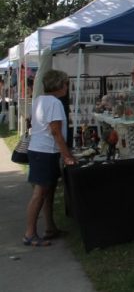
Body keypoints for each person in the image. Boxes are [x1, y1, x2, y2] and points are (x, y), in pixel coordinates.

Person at [24, 69, 76, 247]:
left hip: (41, 151)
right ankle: (30, 233)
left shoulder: (40, 99)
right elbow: (56, 132)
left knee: (48, 192)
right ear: (60, 85)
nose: (67, 87)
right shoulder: (54, 103)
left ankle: (50, 227)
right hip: (44, 152)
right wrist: (67, 155)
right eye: (66, 83)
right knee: (40, 193)